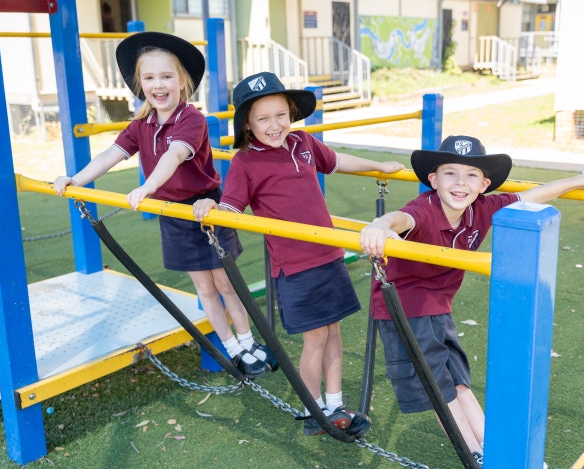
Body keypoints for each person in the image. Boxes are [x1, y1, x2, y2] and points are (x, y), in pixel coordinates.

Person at [358, 135, 584, 469]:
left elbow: (533, 196)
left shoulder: (484, 208)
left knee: (458, 382)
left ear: (484, 184)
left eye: (471, 175)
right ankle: (476, 460)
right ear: (433, 180)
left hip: (439, 305)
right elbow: (399, 220)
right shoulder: (423, 209)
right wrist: (378, 227)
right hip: (405, 306)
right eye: (450, 174)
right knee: (438, 388)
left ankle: (494, 450)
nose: (461, 183)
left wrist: (579, 180)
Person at [192, 71, 405, 437]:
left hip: (330, 256)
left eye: (280, 115)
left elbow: (337, 161)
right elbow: (232, 207)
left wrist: (379, 166)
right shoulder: (246, 161)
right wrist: (208, 206)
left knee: (334, 332)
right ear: (248, 124)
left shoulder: (303, 143)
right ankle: (312, 409)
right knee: (315, 339)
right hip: (295, 267)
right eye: (263, 118)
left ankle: (334, 404)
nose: (274, 125)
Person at [53, 32, 276, 378]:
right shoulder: (141, 124)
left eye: (167, 76)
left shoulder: (192, 119)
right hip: (173, 215)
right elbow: (113, 154)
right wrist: (76, 180)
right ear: (140, 84)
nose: (159, 85)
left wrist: (149, 185)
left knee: (226, 284)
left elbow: (175, 154)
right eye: (150, 77)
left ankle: (248, 342)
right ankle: (233, 349)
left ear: (182, 81)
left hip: (205, 209)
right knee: (204, 289)